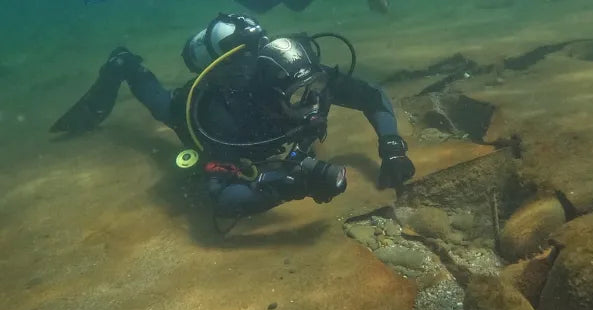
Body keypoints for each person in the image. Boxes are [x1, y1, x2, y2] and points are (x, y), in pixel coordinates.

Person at [51, 13, 415, 224]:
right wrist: (297, 185)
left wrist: (392, 147)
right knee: (162, 105)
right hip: (191, 115)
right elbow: (223, 198)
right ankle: (126, 64)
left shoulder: (301, 77)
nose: (313, 101)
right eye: (299, 97)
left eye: (316, 87)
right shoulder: (222, 119)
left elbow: (371, 94)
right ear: (272, 99)